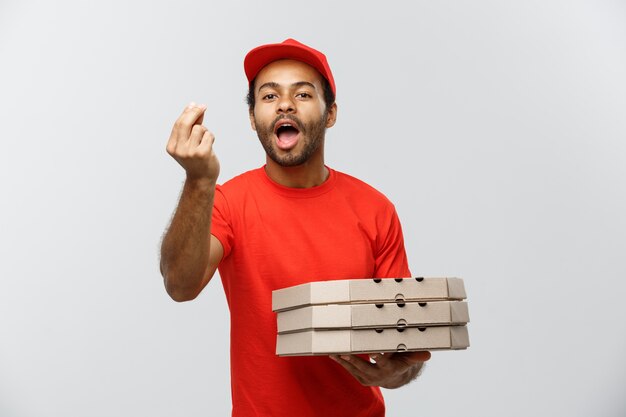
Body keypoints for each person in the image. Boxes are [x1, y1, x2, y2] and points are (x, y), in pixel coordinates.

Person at [160, 38, 431, 417]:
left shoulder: (375, 210)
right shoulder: (227, 201)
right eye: (269, 97)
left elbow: (407, 348)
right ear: (254, 119)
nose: (285, 103)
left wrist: (392, 372)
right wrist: (199, 182)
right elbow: (180, 284)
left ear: (330, 112)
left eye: (302, 94)